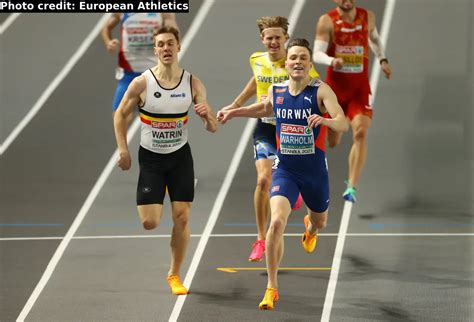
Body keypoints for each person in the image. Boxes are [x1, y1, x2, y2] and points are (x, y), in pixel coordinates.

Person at [218, 39, 348, 310]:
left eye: (303, 57)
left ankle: (310, 229)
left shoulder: (321, 91)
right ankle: (271, 288)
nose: (298, 62)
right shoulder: (277, 90)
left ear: (310, 64)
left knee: (320, 222)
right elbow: (263, 109)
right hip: (285, 169)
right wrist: (234, 112)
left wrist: (325, 120)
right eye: (293, 58)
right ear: (286, 64)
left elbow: (343, 122)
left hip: (313, 172)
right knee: (276, 223)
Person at [113, 26, 218, 295]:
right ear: (155, 50)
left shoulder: (193, 83)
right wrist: (123, 150)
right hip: (151, 160)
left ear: (178, 47)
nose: (166, 48)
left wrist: (207, 115)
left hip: (180, 157)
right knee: (150, 223)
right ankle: (160, 192)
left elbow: (213, 127)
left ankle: (174, 274)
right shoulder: (142, 83)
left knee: (182, 217)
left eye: (170, 43)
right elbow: (120, 115)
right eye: (161, 44)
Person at [217, 16, 320, 262]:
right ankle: (261, 239)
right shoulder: (257, 59)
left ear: (286, 38)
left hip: (291, 131)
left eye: (278, 37)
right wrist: (236, 104)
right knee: (263, 180)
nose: (273, 42)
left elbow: (316, 86)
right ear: (262, 39)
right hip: (265, 128)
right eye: (269, 38)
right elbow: (257, 80)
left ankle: (296, 198)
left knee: (294, 183)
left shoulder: (296, 61)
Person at [312, 0, 392, 202]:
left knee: (361, 132)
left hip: (359, 89)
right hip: (335, 92)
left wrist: (382, 59)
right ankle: (335, 131)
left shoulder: (368, 17)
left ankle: (351, 187)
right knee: (333, 141)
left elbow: (374, 39)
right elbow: (316, 53)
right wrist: (332, 61)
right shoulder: (327, 21)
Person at [102, 13, 178, 124]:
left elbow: (173, 32)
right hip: (128, 75)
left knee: (157, 121)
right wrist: (108, 42)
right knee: (119, 119)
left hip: (154, 75)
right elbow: (106, 28)